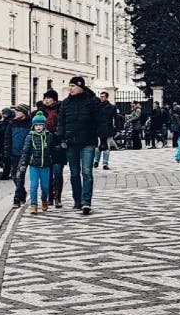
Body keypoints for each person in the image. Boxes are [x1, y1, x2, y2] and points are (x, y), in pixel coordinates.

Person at [57, 76, 101, 215]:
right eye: (70, 86)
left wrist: (102, 138)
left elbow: (99, 121)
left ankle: (86, 201)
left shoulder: (92, 102)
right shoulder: (65, 103)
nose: (70, 88)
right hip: (71, 142)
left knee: (87, 172)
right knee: (74, 173)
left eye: (73, 86)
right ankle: (77, 200)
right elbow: (61, 122)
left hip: (88, 141)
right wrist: (62, 138)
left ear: (81, 87)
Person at [20, 111, 53, 214]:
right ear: (33, 126)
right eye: (36, 125)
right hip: (34, 165)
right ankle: (33, 205)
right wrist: (23, 164)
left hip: (45, 165)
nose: (38, 127)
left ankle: (44, 200)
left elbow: (52, 150)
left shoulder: (49, 136)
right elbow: (25, 151)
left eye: (40, 125)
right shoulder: (30, 137)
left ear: (44, 126)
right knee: (34, 185)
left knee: (45, 186)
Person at [3, 104, 32, 207]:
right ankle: (22, 193)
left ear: (23, 113)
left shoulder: (30, 124)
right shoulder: (12, 123)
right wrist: (7, 151)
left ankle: (17, 198)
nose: (16, 113)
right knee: (14, 175)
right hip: (14, 153)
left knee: (20, 174)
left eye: (18, 111)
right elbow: (7, 138)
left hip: (25, 154)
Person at [97, 91, 120, 170]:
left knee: (107, 146)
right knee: (98, 146)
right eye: (101, 96)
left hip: (108, 128)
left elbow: (116, 118)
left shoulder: (112, 107)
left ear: (106, 97)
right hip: (99, 128)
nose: (101, 98)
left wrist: (117, 129)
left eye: (103, 96)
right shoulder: (97, 106)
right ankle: (96, 161)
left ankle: (105, 163)